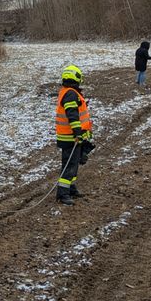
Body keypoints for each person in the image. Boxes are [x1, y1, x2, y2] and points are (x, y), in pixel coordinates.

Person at [55, 65, 94, 206]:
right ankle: (62, 194)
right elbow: (72, 115)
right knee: (69, 165)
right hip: (70, 137)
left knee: (74, 164)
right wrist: (78, 132)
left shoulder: (69, 92)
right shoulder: (71, 93)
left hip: (72, 137)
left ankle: (71, 188)